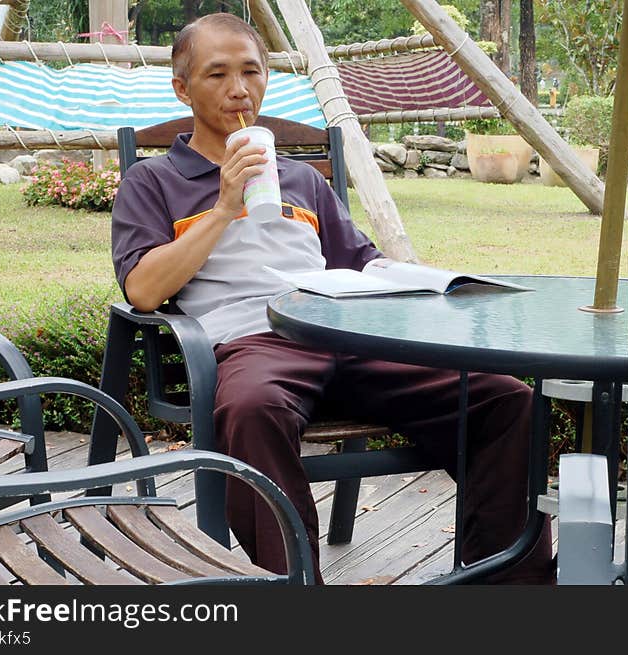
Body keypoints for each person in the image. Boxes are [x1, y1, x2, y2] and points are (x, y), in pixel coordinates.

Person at [111, 13, 553, 585]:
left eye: (251, 71)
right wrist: (223, 205)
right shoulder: (154, 182)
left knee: (503, 399)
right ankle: (295, 592)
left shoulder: (301, 180)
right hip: (255, 343)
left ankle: (506, 585)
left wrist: (427, 281)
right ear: (182, 88)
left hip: (346, 331)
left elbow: (359, 261)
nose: (238, 89)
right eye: (217, 74)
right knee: (251, 411)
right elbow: (144, 290)